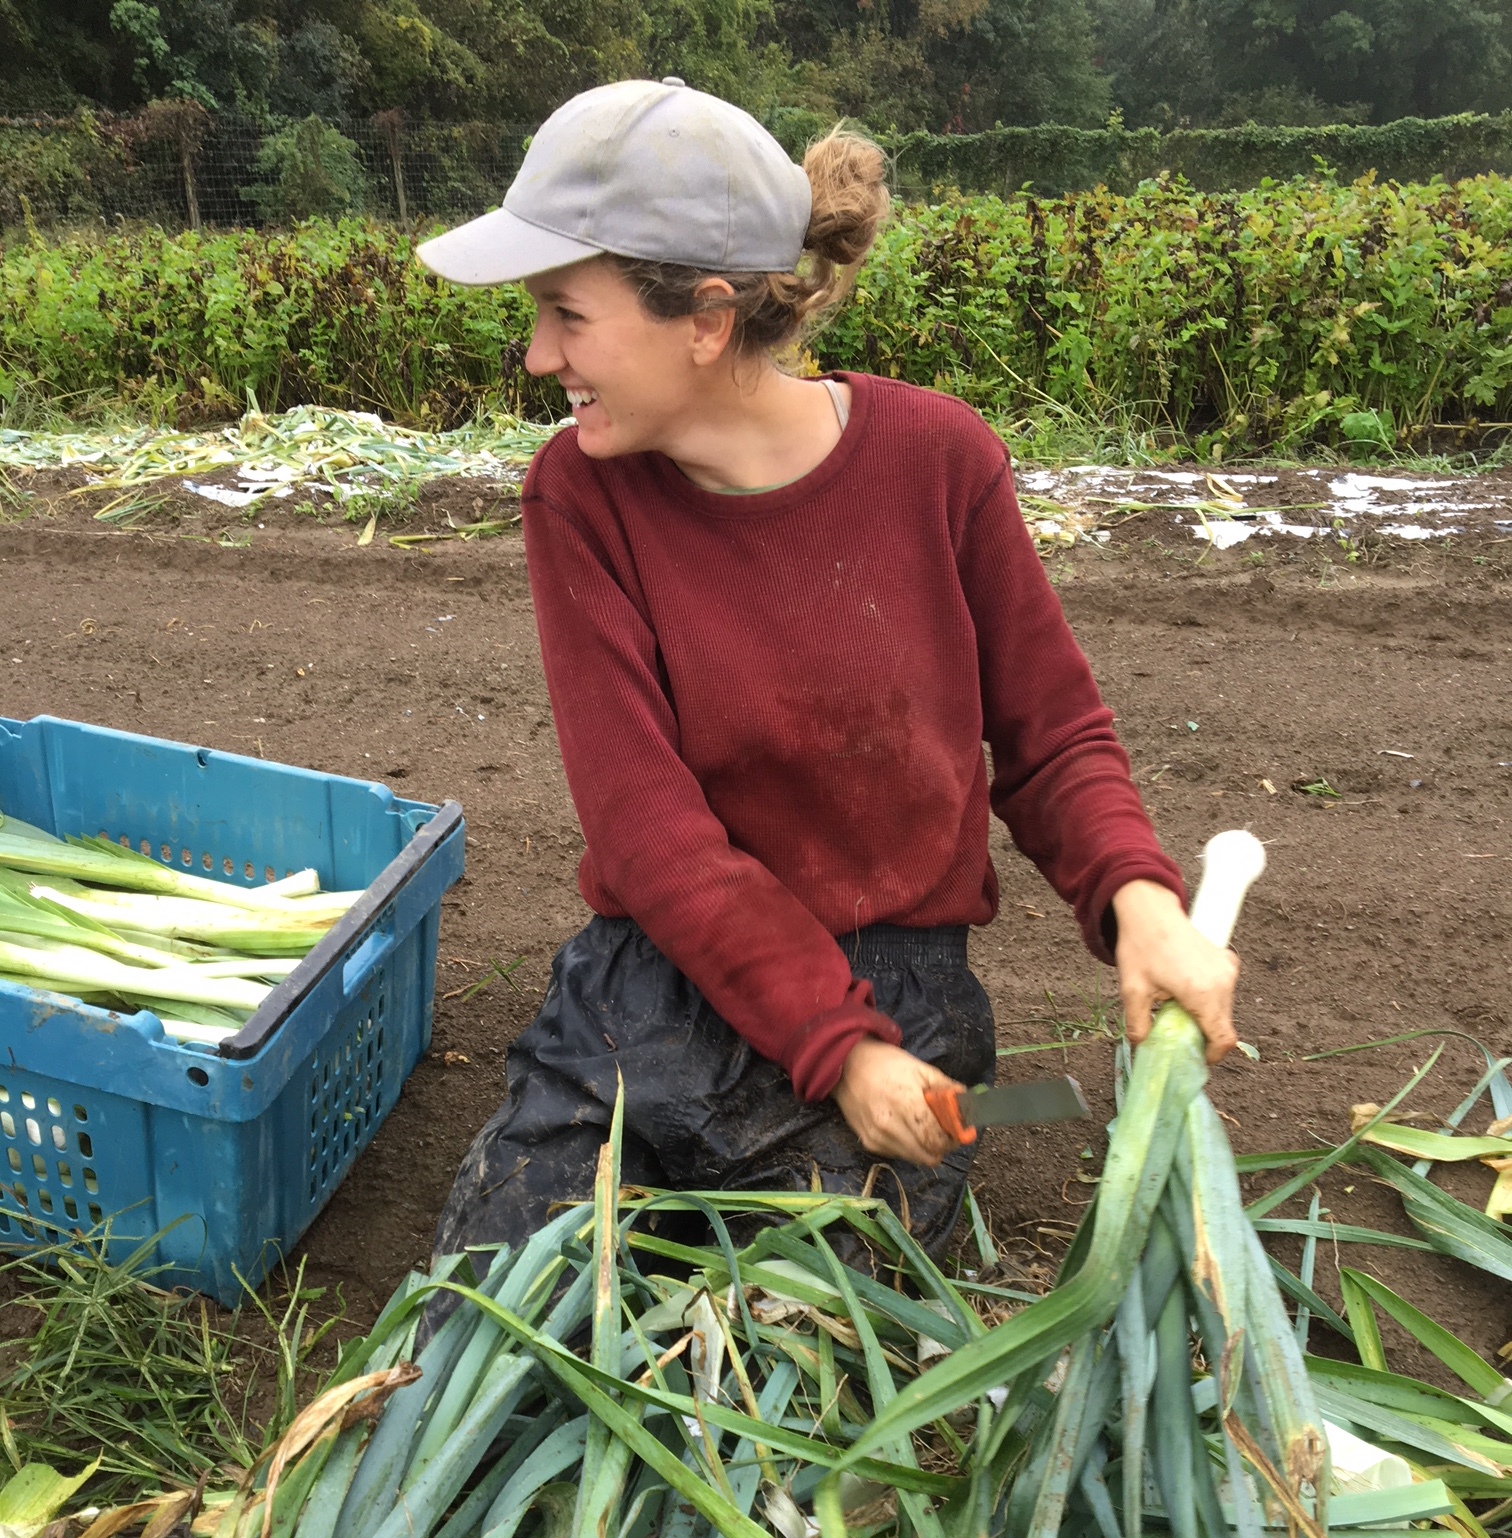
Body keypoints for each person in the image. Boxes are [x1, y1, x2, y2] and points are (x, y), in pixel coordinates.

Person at [415, 77, 1238, 1270]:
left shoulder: (941, 463)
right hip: (657, 975)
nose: (538, 357)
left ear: (704, 317)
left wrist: (1142, 902)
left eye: (564, 313)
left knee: (810, 1367)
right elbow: (649, 832)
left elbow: (1051, 734)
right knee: (497, 1323)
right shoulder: (579, 496)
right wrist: (830, 1047)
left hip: (898, 980)